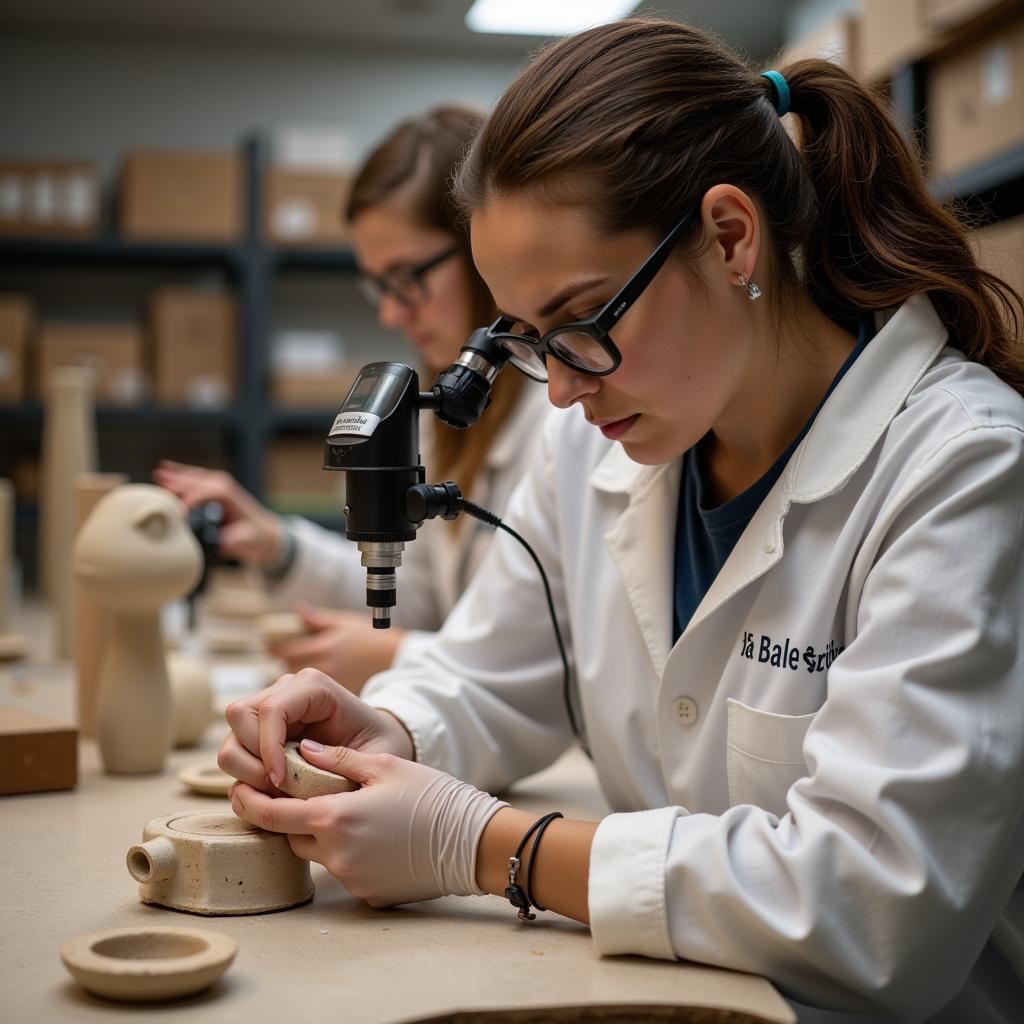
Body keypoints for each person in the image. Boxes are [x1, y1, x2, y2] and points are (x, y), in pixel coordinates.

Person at [216, 19, 1024, 1022]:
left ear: (730, 237)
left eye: (584, 322)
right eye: (528, 338)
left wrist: (487, 845)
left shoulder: (960, 464)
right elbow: (490, 670)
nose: (555, 389)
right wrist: (389, 732)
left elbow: (875, 900)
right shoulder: (599, 442)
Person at [156, 105, 547, 691]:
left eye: (408, 277)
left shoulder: (569, 416)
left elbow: (543, 657)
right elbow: (422, 596)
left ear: (484, 248)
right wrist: (277, 546)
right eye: (378, 286)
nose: (391, 312)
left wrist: (399, 656)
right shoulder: (445, 410)